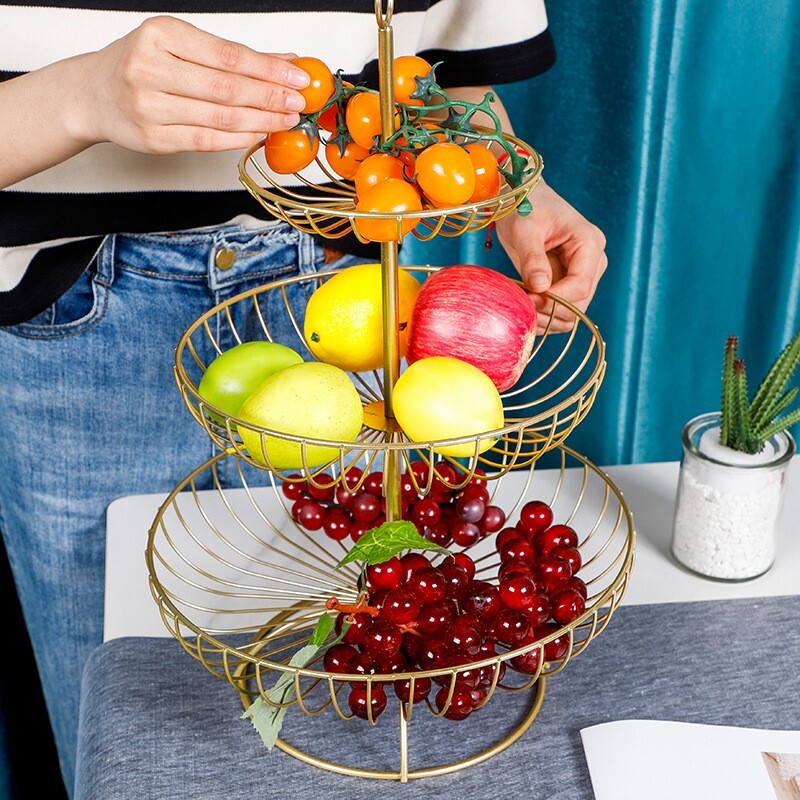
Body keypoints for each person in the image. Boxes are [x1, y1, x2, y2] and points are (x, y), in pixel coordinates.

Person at [0, 2, 607, 794]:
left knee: (340, 711)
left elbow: (441, 80)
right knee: (134, 737)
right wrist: (76, 99)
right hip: (77, 331)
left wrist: (520, 199)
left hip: (346, 309)